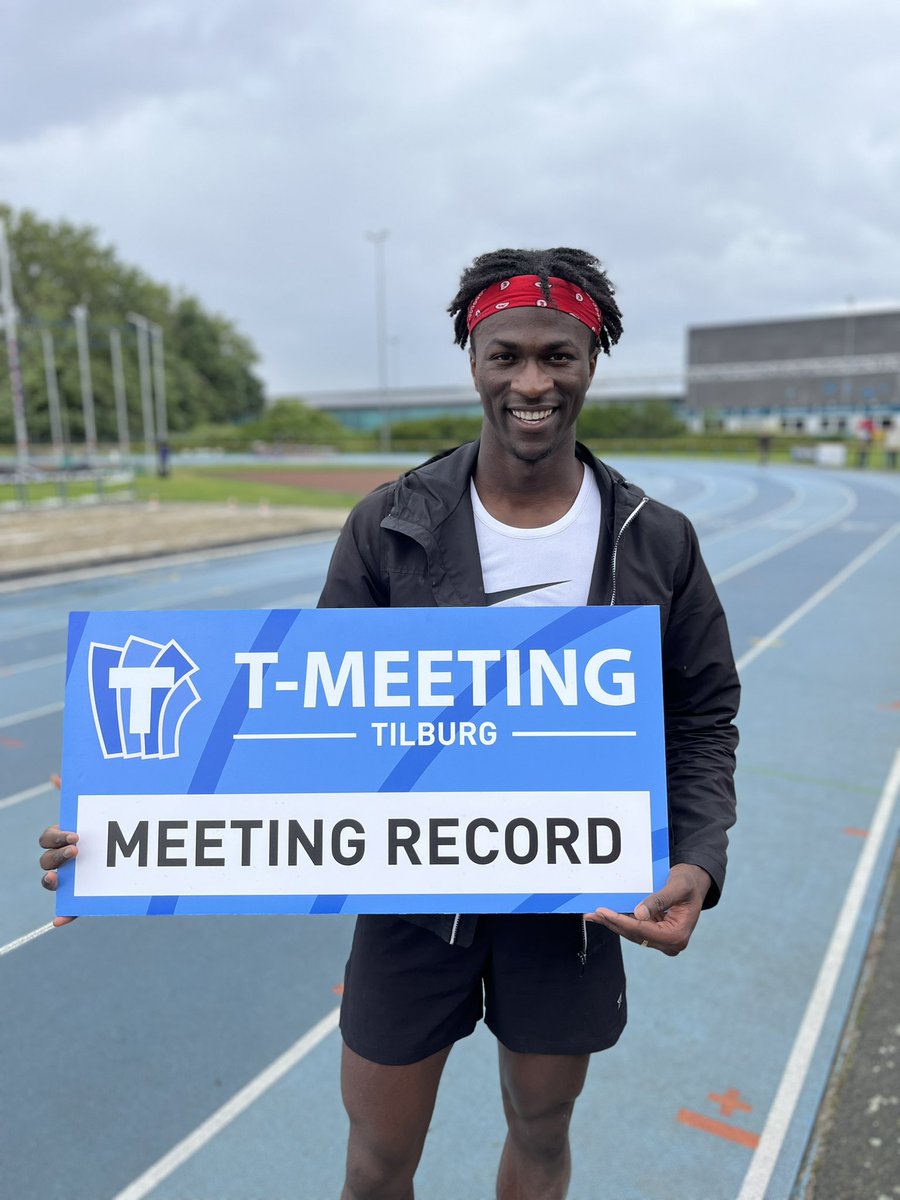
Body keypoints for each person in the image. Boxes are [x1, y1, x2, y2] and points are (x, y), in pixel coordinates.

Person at [40, 247, 740, 1200]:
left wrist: (695, 858)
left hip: (574, 904)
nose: (531, 382)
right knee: (375, 1161)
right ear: (472, 357)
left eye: (557, 356)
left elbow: (701, 715)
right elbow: (315, 717)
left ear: (592, 358)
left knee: (541, 1128)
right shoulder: (389, 525)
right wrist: (129, 822)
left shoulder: (655, 539)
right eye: (507, 356)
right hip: (414, 902)